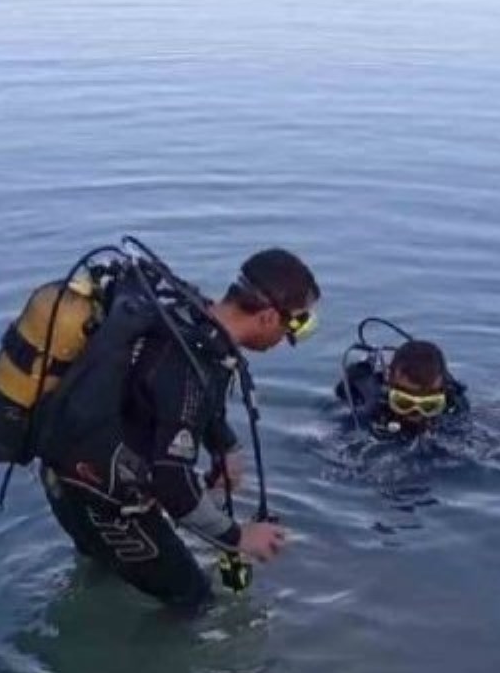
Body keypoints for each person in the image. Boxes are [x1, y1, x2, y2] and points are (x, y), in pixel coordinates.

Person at [37, 248, 321, 611]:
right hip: (103, 502)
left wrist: (225, 447)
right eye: (294, 325)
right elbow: (172, 484)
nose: (288, 338)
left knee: (105, 569)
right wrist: (238, 537)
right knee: (193, 600)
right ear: (267, 317)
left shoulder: (189, 317)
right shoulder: (192, 365)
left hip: (63, 477)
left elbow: (167, 399)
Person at [337, 337, 468, 439]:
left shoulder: (454, 405)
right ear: (388, 382)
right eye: (403, 402)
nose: (416, 414)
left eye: (429, 405)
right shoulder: (370, 402)